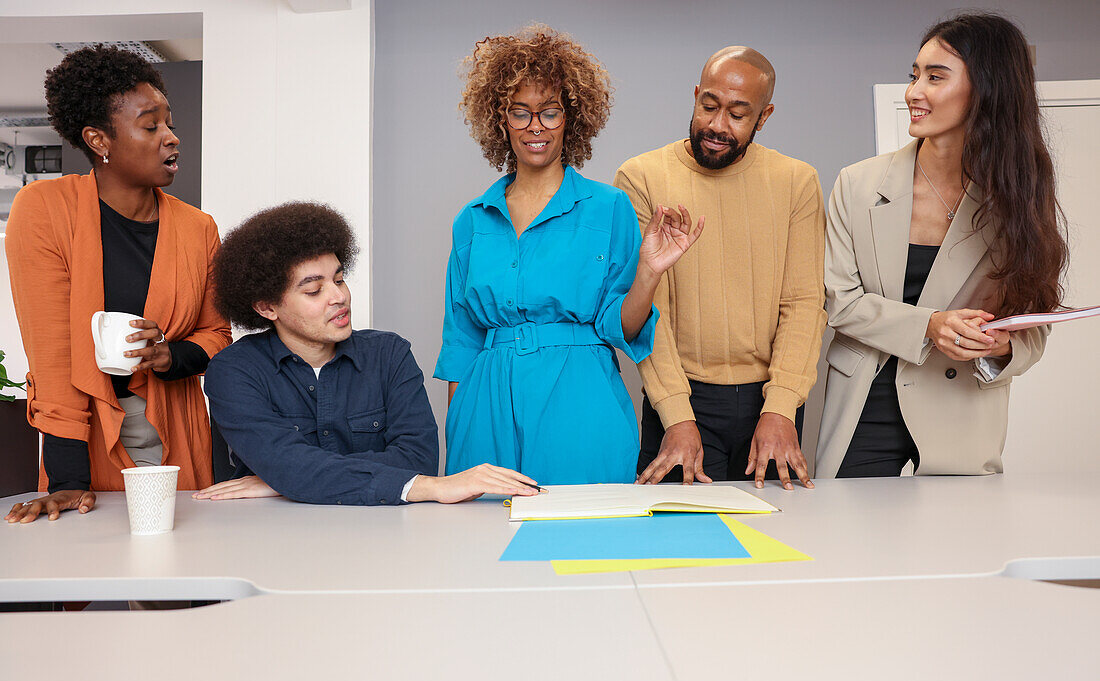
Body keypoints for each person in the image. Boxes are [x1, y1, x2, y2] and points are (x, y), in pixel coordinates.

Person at [435, 25, 702, 484]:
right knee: (480, 542)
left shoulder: (609, 207)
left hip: (580, 398)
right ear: (501, 121)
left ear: (571, 118)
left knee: (585, 542)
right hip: (487, 403)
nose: (535, 126)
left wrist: (649, 272)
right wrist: (461, 429)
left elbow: (622, 327)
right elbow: (461, 340)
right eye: (520, 113)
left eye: (550, 112)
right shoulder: (472, 221)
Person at [815, 13, 1068, 478]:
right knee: (850, 541)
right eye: (914, 75)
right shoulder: (858, 183)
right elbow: (840, 304)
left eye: (935, 77)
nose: (913, 91)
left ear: (986, 90)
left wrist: (999, 347)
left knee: (956, 547)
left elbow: (1035, 325)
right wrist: (930, 325)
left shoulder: (1019, 198)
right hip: (864, 401)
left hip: (961, 407)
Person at [5, 45, 230, 524]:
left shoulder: (198, 229)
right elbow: (53, 352)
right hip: (83, 435)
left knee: (182, 577)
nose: (171, 138)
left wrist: (173, 355)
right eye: (151, 126)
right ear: (98, 140)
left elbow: (217, 336)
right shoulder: (45, 209)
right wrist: (68, 480)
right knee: (97, 569)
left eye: (169, 123)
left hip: (176, 426)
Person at [195, 202, 539, 505]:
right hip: (269, 541)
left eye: (340, 280)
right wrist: (289, 475)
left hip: (382, 540)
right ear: (267, 307)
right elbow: (288, 465)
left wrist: (286, 482)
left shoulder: (389, 355)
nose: (339, 297)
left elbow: (418, 460)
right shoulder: (233, 371)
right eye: (314, 290)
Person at [614, 47, 826, 491]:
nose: (716, 126)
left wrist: (782, 407)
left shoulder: (797, 182)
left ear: (764, 117)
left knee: (774, 541)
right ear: (695, 96)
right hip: (681, 398)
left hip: (769, 401)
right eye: (708, 106)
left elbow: (804, 305)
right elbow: (652, 312)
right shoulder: (642, 176)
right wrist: (675, 414)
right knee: (679, 548)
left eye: (737, 114)